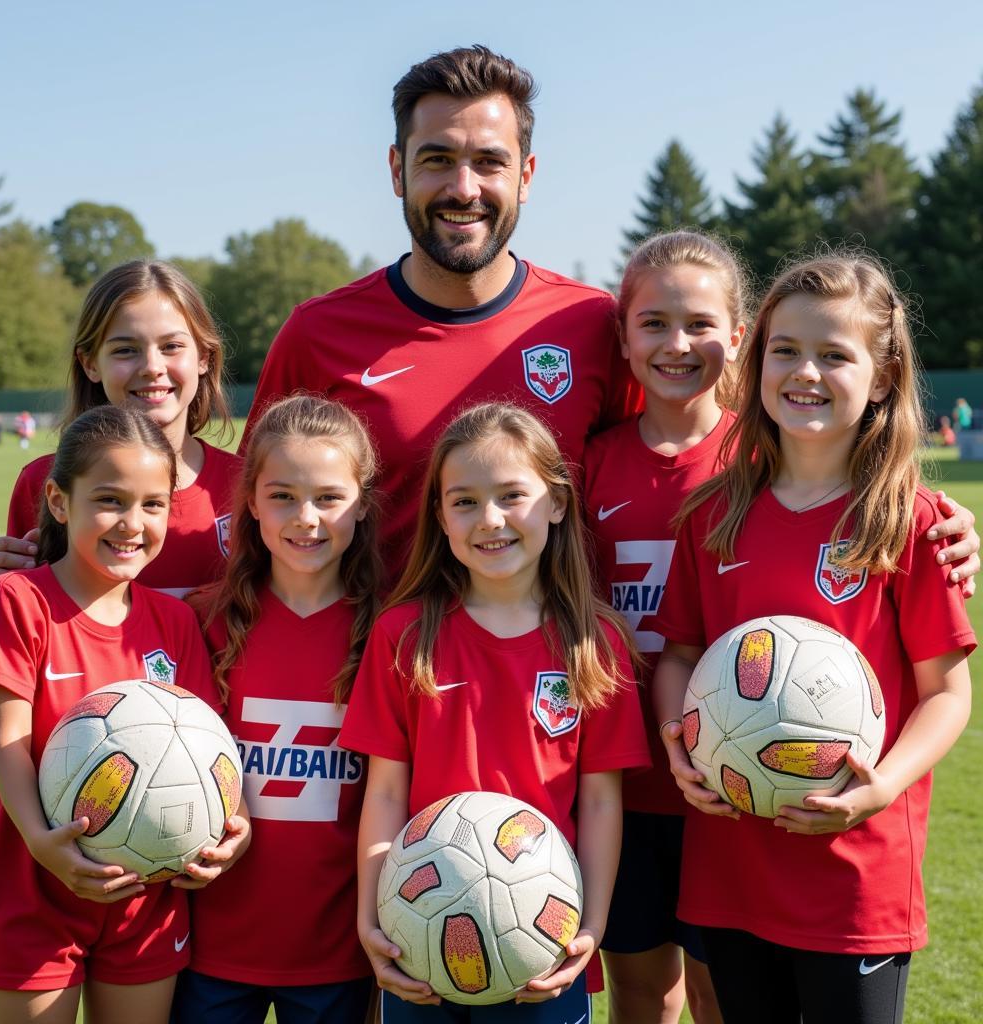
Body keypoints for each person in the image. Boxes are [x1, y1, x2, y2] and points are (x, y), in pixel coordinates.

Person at [652, 252, 975, 1024]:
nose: (806, 372)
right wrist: (678, 742)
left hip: (852, 877)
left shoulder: (910, 521)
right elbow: (682, 655)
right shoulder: (712, 516)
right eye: (786, 350)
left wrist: (883, 787)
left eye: (835, 354)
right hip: (731, 866)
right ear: (756, 363)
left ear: (885, 376)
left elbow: (947, 695)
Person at [243, 45, 642, 574]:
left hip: (559, 654)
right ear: (396, 170)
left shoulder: (595, 325)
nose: (463, 188)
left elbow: (652, 486)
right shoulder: (317, 335)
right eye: (437, 160)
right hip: (379, 653)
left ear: (525, 176)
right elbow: (250, 520)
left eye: (488, 162)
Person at [339, 403, 649, 1021]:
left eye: (513, 495)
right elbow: (386, 792)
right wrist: (371, 915)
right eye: (465, 501)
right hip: (420, 933)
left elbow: (600, 801)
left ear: (557, 503)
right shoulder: (404, 636)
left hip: (540, 938)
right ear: (440, 517)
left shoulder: (596, 644)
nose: (491, 519)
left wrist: (591, 927)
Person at [0, 406, 240, 1024]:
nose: (132, 524)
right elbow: (8, 740)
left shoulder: (176, 623)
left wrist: (233, 824)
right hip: (31, 886)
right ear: (59, 501)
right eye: (110, 500)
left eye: (153, 504)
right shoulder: (20, 601)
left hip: (146, 897)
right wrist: (42, 843)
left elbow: (209, 751)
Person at [171, 394, 383, 1023]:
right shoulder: (203, 621)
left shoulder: (391, 632)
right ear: (252, 504)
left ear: (363, 504)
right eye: (283, 495)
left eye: (328, 497)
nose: (306, 518)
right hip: (209, 943)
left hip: (338, 950)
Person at [584, 231, 742, 1024]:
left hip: (734, 789)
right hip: (623, 783)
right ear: (623, 337)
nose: (677, 344)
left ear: (739, 335)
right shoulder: (589, 463)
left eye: (701, 323)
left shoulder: (767, 457)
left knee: (722, 995)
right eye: (653, 323)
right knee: (643, 994)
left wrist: (951, 525)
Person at [0, 260, 239, 600]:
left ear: (204, 357)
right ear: (90, 363)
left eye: (171, 346)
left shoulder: (247, 485)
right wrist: (3, 586)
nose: (152, 367)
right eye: (126, 350)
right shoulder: (43, 482)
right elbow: (28, 619)